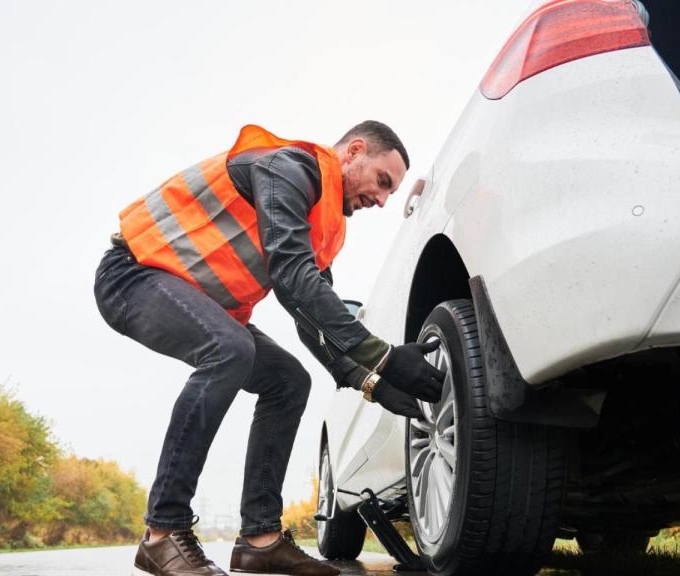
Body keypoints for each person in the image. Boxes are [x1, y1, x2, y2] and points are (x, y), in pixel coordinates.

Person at [94, 121, 446, 576]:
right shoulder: (288, 169)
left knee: (288, 380)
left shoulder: (324, 226)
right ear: (354, 151)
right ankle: (163, 533)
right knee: (231, 350)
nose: (381, 200)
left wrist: (373, 382)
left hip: (199, 302)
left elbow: (312, 316)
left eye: (389, 193)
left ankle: (259, 540)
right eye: (382, 182)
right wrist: (387, 357)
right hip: (132, 274)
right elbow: (292, 278)